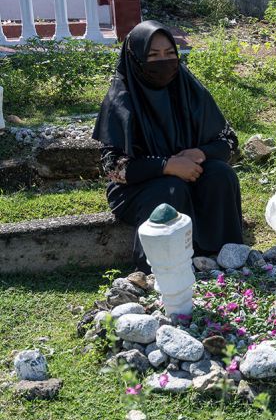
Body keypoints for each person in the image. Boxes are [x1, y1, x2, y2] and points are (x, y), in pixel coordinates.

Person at [93, 20, 243, 273]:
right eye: (153, 56)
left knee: (221, 174)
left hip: (191, 175)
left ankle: (224, 258)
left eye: (170, 54)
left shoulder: (189, 90)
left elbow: (228, 140)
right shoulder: (122, 99)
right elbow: (114, 168)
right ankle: (160, 270)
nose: (163, 62)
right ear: (135, 58)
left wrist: (201, 153)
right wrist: (167, 165)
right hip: (140, 188)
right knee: (170, 189)